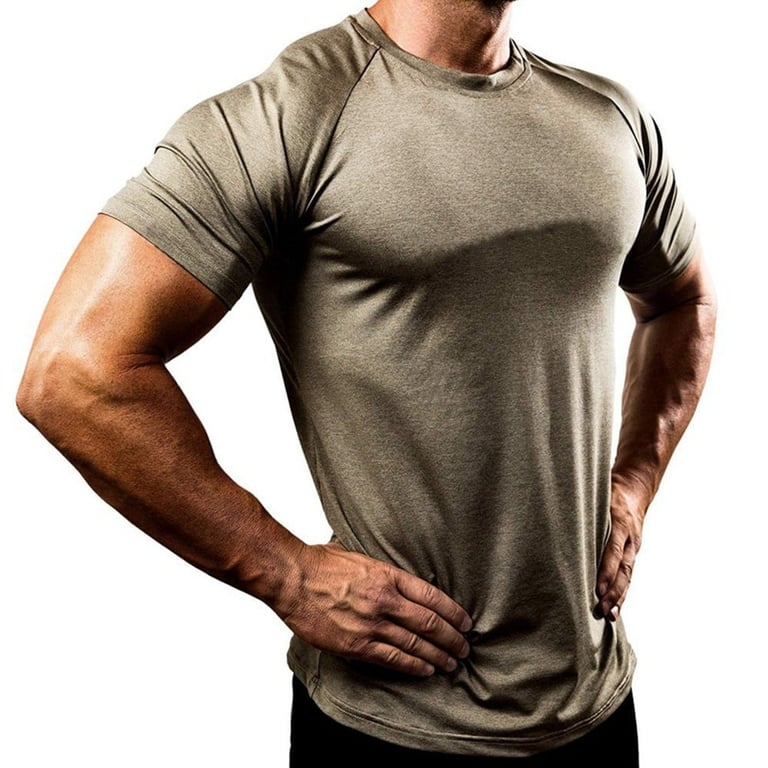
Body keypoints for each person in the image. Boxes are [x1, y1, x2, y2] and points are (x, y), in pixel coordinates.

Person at [16, 1, 716, 765]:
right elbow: (73, 372)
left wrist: (634, 484)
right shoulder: (290, 114)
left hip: (596, 702)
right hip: (389, 724)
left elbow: (684, 303)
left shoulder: (609, 115)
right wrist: (284, 571)